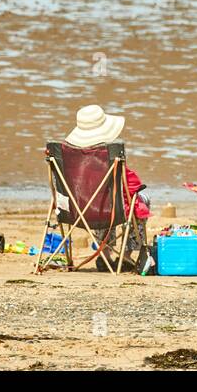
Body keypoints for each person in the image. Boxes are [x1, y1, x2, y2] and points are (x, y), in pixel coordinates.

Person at [64, 104, 150, 271]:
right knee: (139, 199)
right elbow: (130, 185)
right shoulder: (109, 155)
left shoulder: (69, 157)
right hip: (109, 209)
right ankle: (126, 255)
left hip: (75, 209)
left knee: (99, 199)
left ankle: (104, 254)